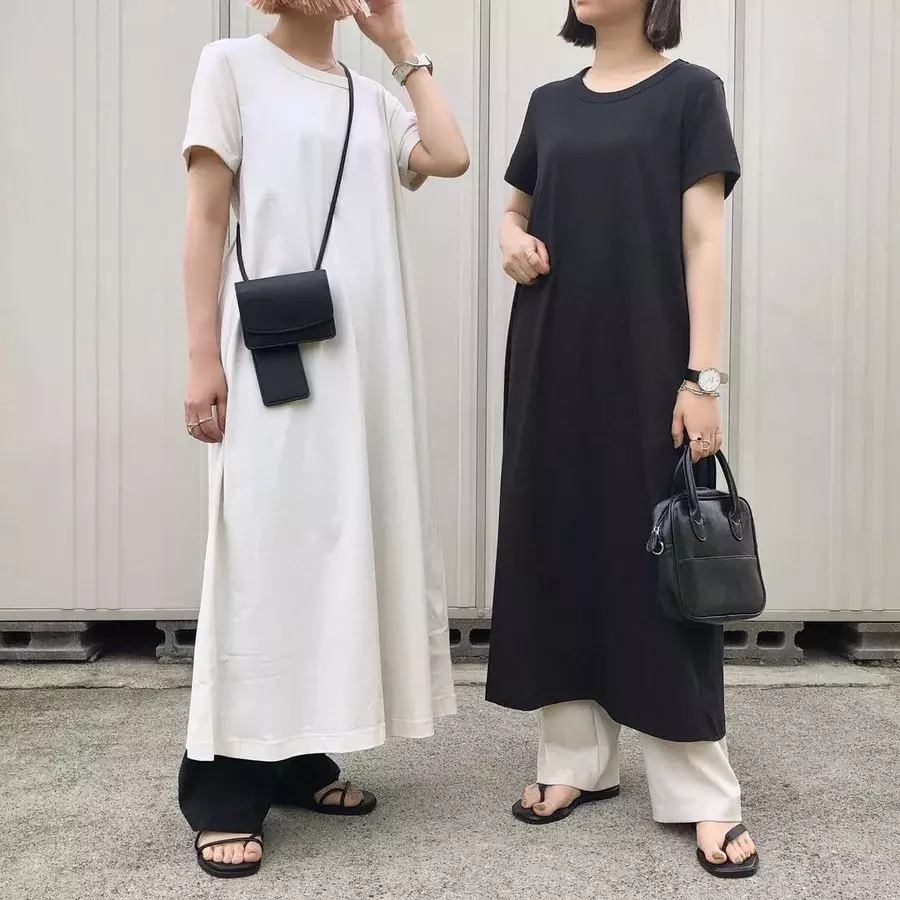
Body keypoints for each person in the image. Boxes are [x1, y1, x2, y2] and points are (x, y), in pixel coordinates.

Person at [179, 0, 468, 878]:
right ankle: (223, 786)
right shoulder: (230, 66)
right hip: (272, 356)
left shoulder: (370, 98)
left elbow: (450, 155)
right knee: (261, 554)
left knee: (333, 551)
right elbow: (205, 218)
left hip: (361, 368)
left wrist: (399, 44)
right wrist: (201, 356)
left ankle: (299, 754)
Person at [486, 0, 760, 879]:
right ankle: (575, 762)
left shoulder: (691, 93)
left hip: (649, 360)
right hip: (552, 355)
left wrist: (703, 377)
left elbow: (704, 238)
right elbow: (513, 212)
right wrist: (512, 241)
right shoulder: (549, 104)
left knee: (666, 565)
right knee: (561, 545)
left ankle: (701, 790)